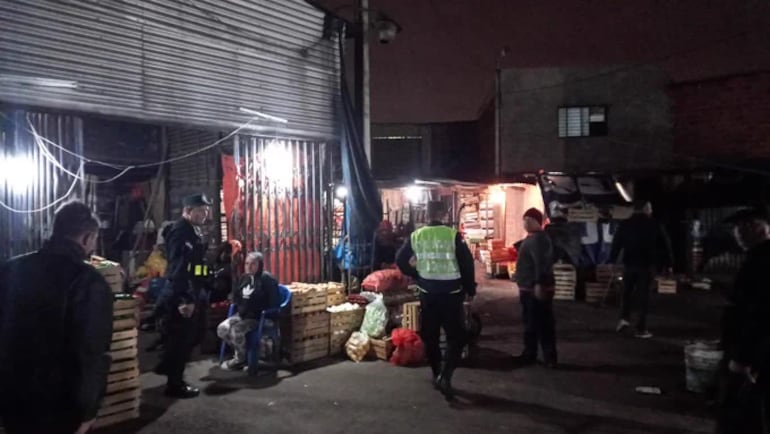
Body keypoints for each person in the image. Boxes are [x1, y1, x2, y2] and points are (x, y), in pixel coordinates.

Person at [0, 201, 113, 434]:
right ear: (87, 238)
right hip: (59, 405)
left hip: (12, 396)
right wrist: (87, 411)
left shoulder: (11, 269)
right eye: (93, 240)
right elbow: (90, 353)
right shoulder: (88, 282)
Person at [396, 201, 476, 400]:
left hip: (427, 292)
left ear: (427, 214)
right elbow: (466, 264)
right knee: (455, 336)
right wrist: (470, 288)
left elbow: (400, 259)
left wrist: (416, 274)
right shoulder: (452, 235)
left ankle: (436, 373)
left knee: (430, 336)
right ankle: (445, 376)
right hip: (451, 293)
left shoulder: (416, 236)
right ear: (444, 213)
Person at [716, 207, 770, 434]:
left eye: (740, 228)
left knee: (744, 414)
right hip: (757, 352)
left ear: (757, 228)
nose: (736, 235)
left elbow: (759, 312)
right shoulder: (758, 258)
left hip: (756, 356)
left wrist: (743, 357)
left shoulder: (762, 262)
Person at [154, 193, 212, 398]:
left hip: (195, 290)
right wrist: (184, 299)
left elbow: (196, 266)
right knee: (182, 339)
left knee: (195, 334)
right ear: (187, 211)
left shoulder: (193, 230)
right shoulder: (180, 232)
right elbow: (179, 269)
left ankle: (167, 364)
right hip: (183, 292)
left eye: (206, 210)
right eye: (200, 210)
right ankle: (174, 384)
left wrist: (206, 279)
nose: (204, 214)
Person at [609, 201, 673, 339]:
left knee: (626, 292)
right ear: (646, 209)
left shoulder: (625, 224)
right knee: (643, 297)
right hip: (646, 265)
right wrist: (669, 264)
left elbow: (616, 243)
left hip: (629, 264)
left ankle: (624, 319)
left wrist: (612, 260)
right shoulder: (654, 224)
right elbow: (665, 244)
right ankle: (641, 328)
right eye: (650, 208)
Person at [218, 252, 280, 370]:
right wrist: (234, 300)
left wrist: (260, 308)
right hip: (243, 315)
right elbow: (236, 295)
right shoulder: (244, 278)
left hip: (260, 318)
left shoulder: (267, 279)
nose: (249, 266)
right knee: (222, 329)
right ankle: (245, 354)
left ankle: (239, 360)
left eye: (253, 264)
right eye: (247, 263)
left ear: (260, 265)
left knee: (236, 330)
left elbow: (274, 302)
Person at [513, 208, 558, 368]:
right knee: (532, 323)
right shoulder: (533, 238)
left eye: (528, 219)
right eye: (524, 219)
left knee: (540, 323)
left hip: (535, 289)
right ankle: (531, 353)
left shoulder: (538, 240)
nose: (525, 222)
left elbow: (541, 264)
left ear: (535, 221)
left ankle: (545, 357)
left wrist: (539, 284)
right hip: (529, 288)